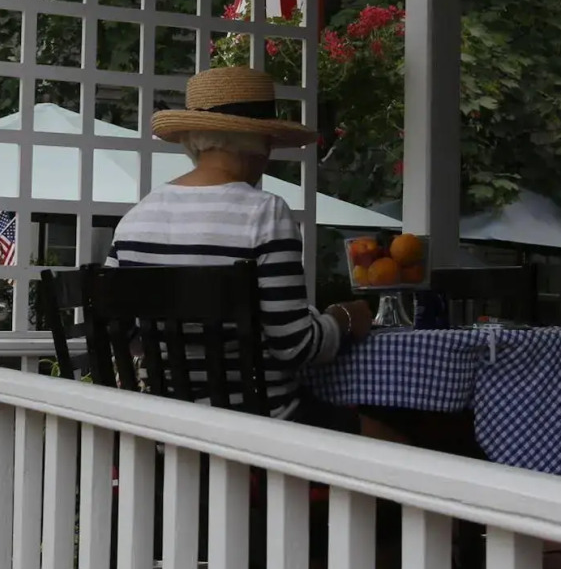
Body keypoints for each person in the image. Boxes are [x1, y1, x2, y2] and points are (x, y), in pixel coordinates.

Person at [104, 65, 377, 430]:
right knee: (406, 448)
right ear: (259, 143)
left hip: (164, 430)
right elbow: (295, 347)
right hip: (260, 428)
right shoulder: (265, 214)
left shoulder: (135, 220)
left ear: (193, 139)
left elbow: (119, 331)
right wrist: (344, 318)